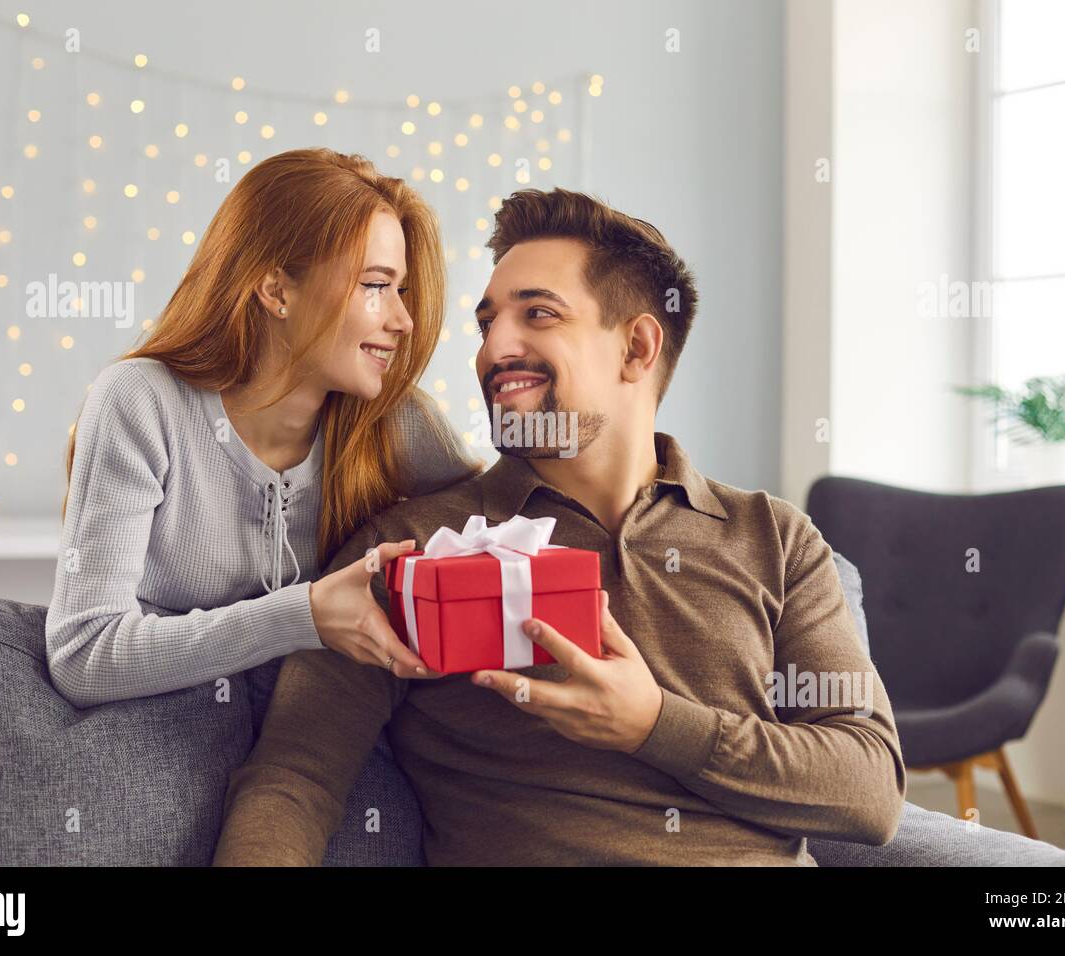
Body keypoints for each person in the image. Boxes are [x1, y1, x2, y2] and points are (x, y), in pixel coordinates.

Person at [213, 187, 906, 865]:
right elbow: (293, 780)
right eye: (487, 324)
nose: (493, 350)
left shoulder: (774, 539)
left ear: (637, 348)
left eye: (538, 315)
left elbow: (870, 789)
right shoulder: (413, 547)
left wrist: (652, 725)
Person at [47, 148, 481, 709]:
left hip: (311, 742)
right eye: (376, 285)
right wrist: (302, 616)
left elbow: (502, 524)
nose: (402, 320)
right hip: (159, 736)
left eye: (401, 290)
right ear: (276, 291)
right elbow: (84, 655)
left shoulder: (398, 423)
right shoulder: (141, 402)